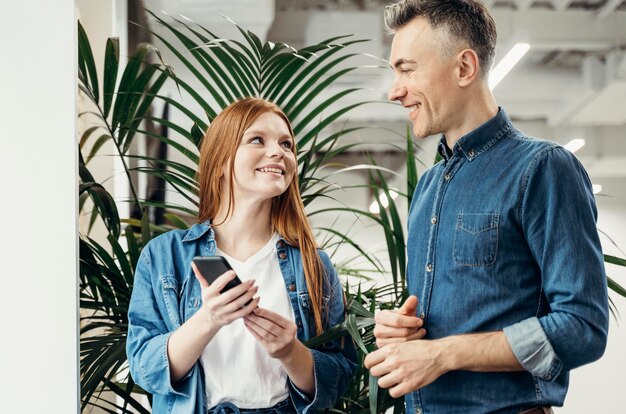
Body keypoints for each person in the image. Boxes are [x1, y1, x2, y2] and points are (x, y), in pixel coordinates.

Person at [364, 1, 609, 413]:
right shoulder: (427, 186)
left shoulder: (543, 168)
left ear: (464, 68)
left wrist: (444, 354)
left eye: (407, 70)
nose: (394, 90)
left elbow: (582, 327)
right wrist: (401, 332)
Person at [127, 97, 357, 414]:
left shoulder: (312, 263)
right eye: (257, 140)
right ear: (221, 162)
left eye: (286, 144)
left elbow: (340, 375)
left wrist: (291, 351)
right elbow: (143, 368)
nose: (279, 152)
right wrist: (209, 320)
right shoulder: (166, 255)